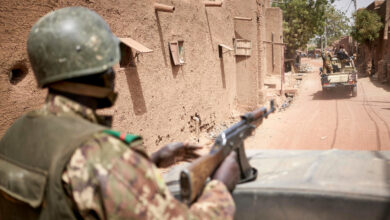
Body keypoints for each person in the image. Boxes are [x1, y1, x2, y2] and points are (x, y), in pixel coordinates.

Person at [0, 7, 240, 220]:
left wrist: (148, 162)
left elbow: (71, 189)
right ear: (99, 71)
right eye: (109, 64)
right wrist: (220, 187)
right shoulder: (101, 154)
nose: (113, 73)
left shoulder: (16, 134)